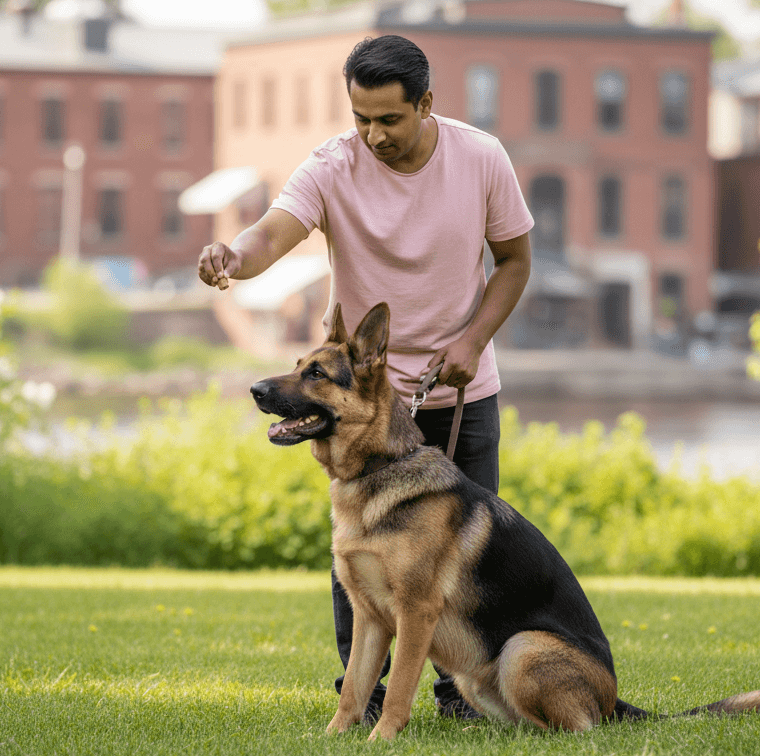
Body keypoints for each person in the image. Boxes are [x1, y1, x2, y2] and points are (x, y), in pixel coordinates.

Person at [197, 34, 533, 722]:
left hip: (456, 386)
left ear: (426, 104)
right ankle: (360, 702)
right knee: (359, 555)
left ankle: (460, 698)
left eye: (389, 119)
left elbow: (515, 261)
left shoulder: (480, 157)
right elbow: (271, 233)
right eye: (361, 118)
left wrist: (474, 338)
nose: (373, 135)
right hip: (361, 401)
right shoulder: (331, 166)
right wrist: (233, 255)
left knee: (461, 566)